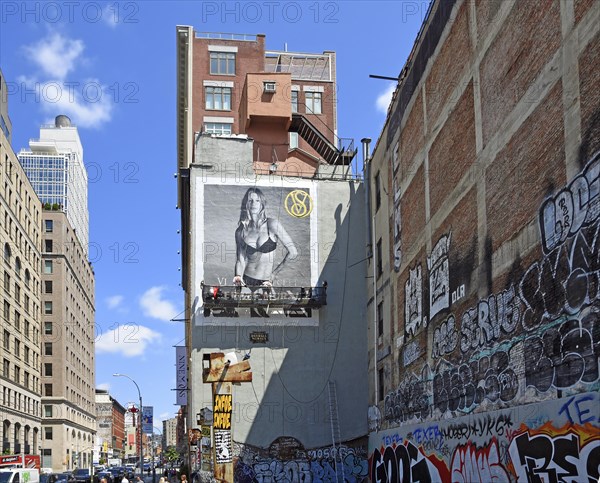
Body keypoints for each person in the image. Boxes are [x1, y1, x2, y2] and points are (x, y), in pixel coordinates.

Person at [233, 187, 298, 288]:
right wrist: (238, 276)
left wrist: (273, 275)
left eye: (257, 200)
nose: (254, 204)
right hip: (246, 279)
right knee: (243, 304)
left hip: (266, 281)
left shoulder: (272, 225)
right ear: (246, 204)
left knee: (268, 303)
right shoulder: (241, 231)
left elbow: (293, 252)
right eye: (250, 201)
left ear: (262, 204)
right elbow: (240, 260)